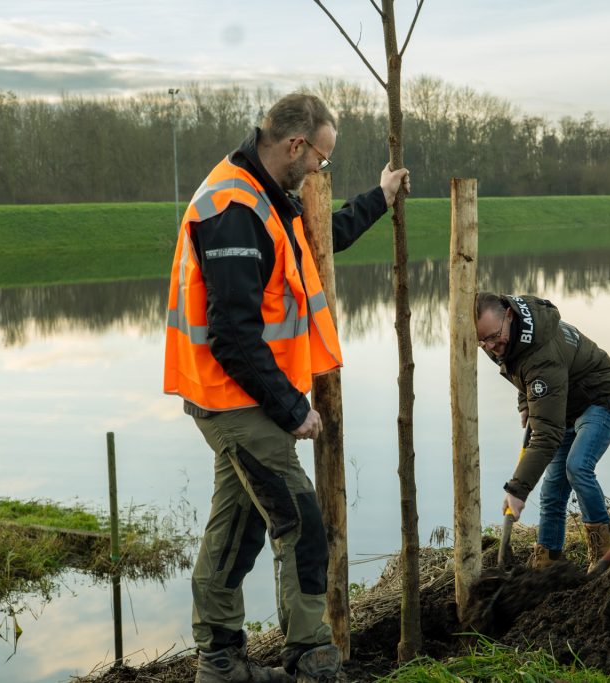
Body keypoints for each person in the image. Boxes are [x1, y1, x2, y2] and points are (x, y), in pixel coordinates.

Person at [163, 92, 409, 683]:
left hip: (245, 393)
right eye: (322, 158)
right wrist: (293, 409)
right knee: (299, 516)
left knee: (238, 523)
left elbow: (325, 238)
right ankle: (312, 657)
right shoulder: (232, 208)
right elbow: (232, 335)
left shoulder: (269, 197)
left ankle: (220, 661)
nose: (322, 170)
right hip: (231, 397)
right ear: (296, 145)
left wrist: (382, 196)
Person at [475, 292, 610, 571]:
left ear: (509, 314)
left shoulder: (541, 353)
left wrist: (517, 490)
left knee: (577, 467)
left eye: (493, 336)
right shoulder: (502, 337)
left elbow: (546, 435)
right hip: (564, 406)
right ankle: (547, 562)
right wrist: (526, 400)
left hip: (601, 399)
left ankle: (604, 554)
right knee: (552, 490)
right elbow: (516, 368)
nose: (489, 345)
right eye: (481, 341)